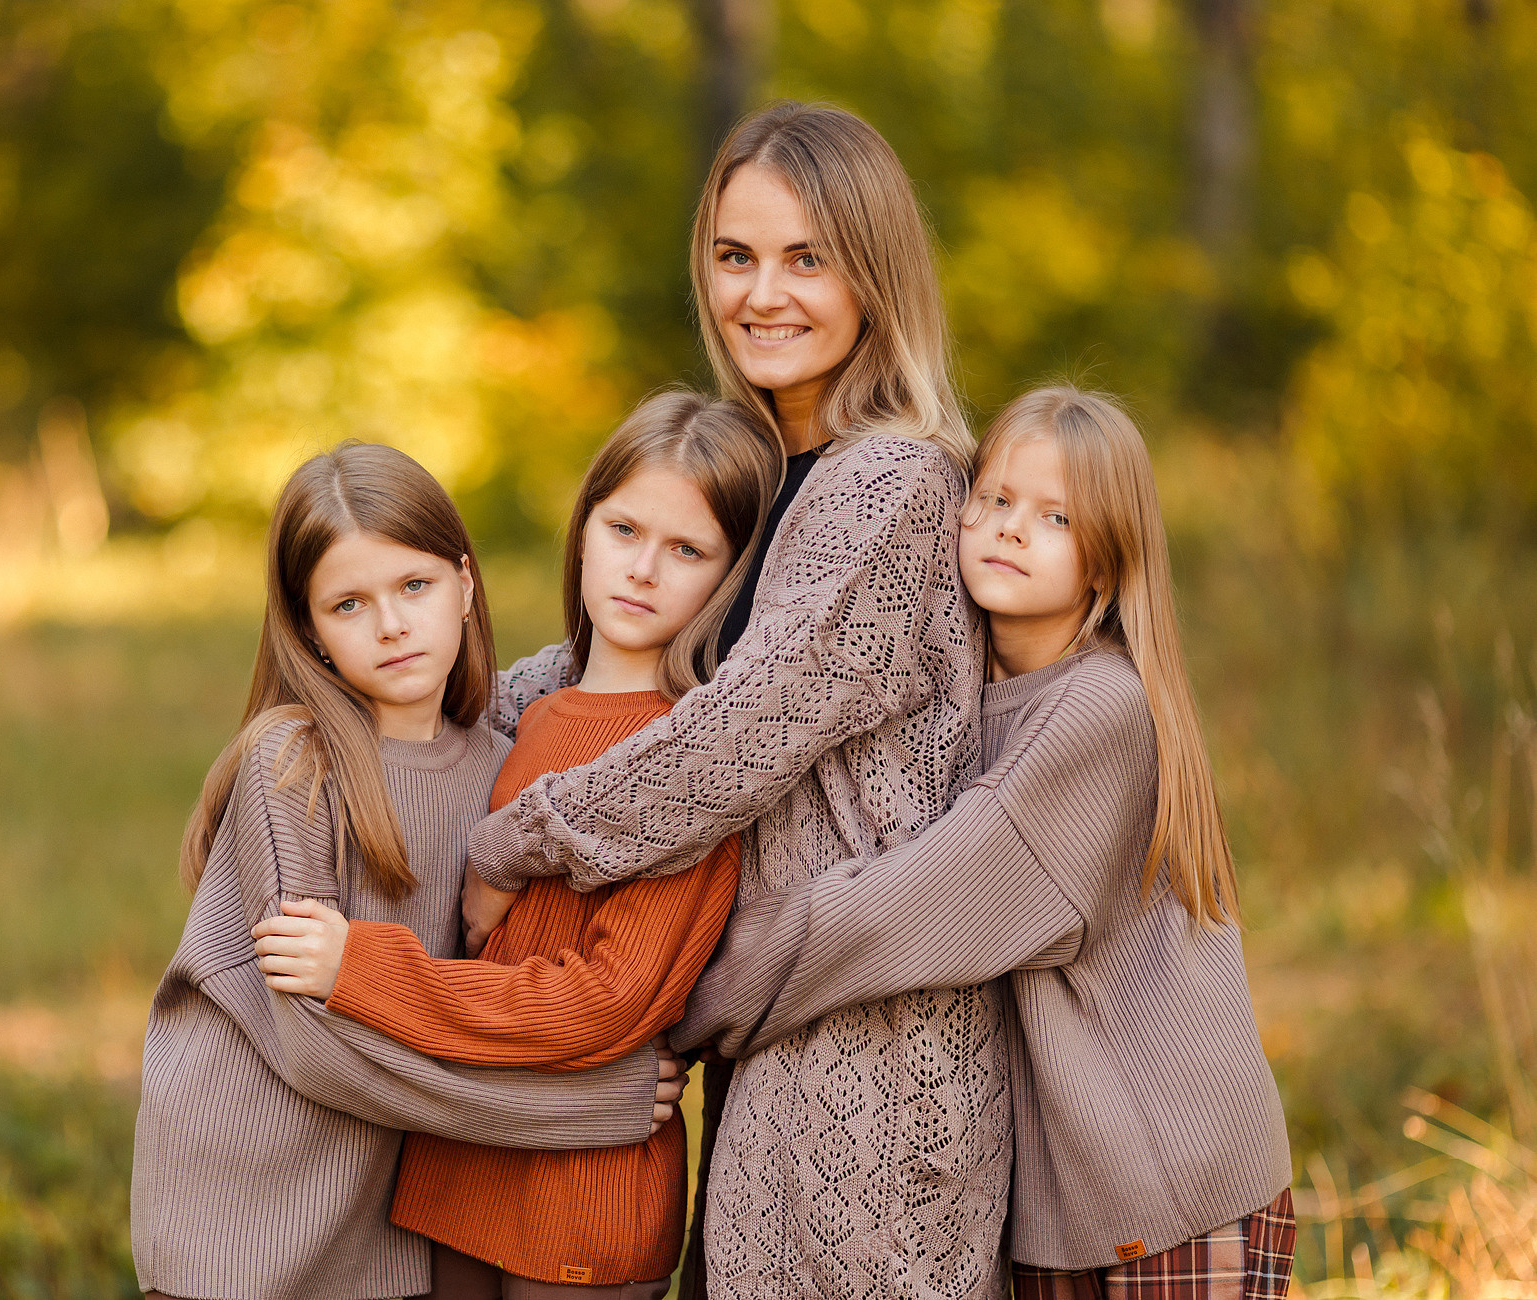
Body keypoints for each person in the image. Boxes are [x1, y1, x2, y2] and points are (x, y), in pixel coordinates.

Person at [461, 102, 1004, 1300]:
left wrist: (517, 836)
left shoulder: (892, 482)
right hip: (764, 1032)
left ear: (876, 273)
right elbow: (635, 670)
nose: (762, 293)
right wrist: (429, 708)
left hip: (875, 1052)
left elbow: (733, 735)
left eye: (808, 258)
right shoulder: (769, 471)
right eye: (734, 255)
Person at [674, 386, 1297, 1300]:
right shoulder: (971, 698)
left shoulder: (1099, 710)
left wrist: (679, 1010)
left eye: (1055, 517)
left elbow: (904, 912)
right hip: (1064, 1206)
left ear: (1107, 560)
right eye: (995, 499)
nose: (1011, 528)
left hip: (1170, 1184)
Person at [252, 390, 780, 1300]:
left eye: (688, 550)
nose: (643, 570)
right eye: (624, 530)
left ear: (733, 577)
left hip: (581, 1196)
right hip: (458, 1170)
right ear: (584, 530)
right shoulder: (520, 719)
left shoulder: (693, 759)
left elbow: (603, 1002)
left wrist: (366, 971)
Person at [129, 442, 684, 1300]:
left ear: (464, 585)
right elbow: (317, 1048)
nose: (390, 625)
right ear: (309, 630)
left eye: (414, 586)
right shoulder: (294, 764)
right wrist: (580, 1109)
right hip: (240, 1205)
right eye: (349, 604)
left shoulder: (499, 767)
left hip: (386, 1205)